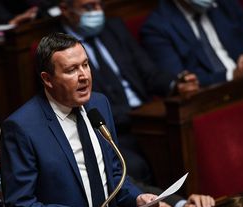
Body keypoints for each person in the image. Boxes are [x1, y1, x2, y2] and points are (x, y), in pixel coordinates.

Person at [0, 32, 159, 207]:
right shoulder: (22, 127)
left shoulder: (99, 104)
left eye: (85, 65)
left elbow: (113, 172)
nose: (84, 76)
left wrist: (137, 199)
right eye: (71, 70)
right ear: (47, 79)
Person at [59, 0, 199, 186]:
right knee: (136, 166)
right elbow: (80, 104)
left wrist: (175, 84)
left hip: (148, 119)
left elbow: (149, 72)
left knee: (193, 140)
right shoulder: (58, 49)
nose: (97, 12)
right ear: (66, 10)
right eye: (88, 7)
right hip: (110, 131)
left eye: (99, 5)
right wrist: (135, 114)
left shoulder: (114, 28)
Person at [140, 0, 243, 87]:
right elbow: (183, 86)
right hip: (210, 105)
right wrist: (232, 75)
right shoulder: (156, 28)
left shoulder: (225, 4)